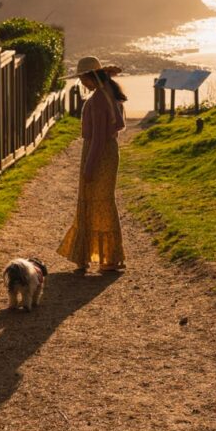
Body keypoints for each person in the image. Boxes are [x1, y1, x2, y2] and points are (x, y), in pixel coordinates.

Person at [58, 56, 127, 273]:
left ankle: (92, 257)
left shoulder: (98, 100)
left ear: (90, 77)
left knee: (91, 200)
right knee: (105, 201)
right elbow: (117, 127)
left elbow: (97, 138)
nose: (81, 83)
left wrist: (89, 168)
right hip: (110, 153)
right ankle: (109, 257)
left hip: (97, 153)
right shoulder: (110, 94)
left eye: (82, 78)